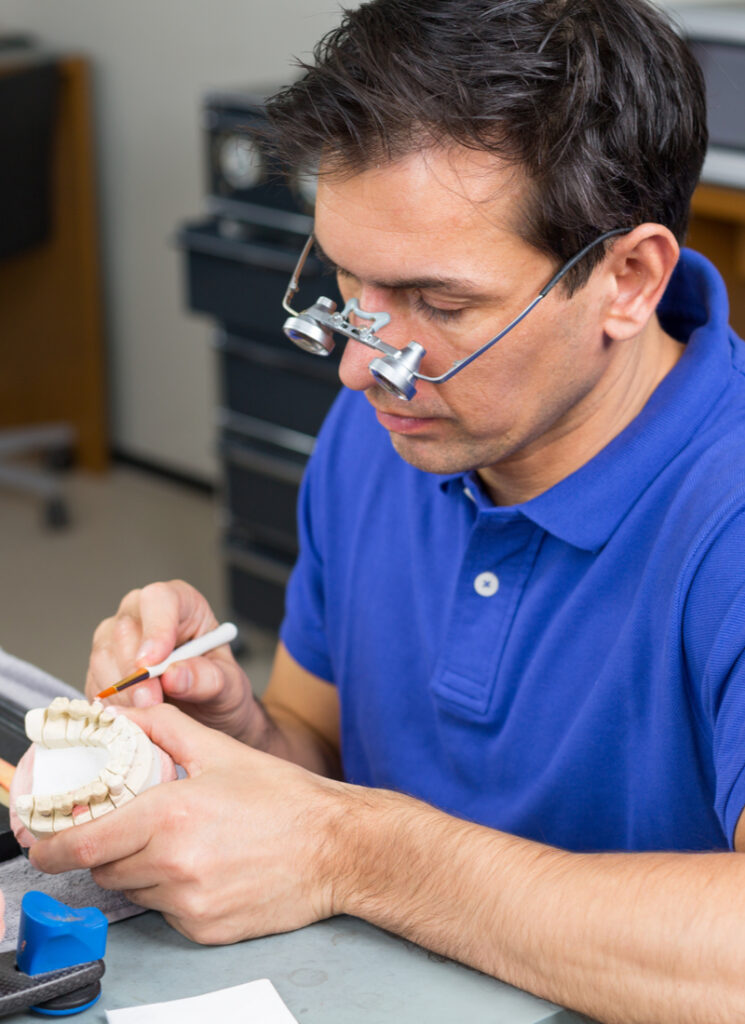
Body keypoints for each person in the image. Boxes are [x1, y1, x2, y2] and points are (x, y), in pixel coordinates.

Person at [27, 0, 745, 1019]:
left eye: (437, 307)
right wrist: (236, 731)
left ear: (627, 280)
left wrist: (348, 851)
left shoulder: (727, 512)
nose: (362, 366)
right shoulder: (386, 432)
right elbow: (321, 752)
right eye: (349, 288)